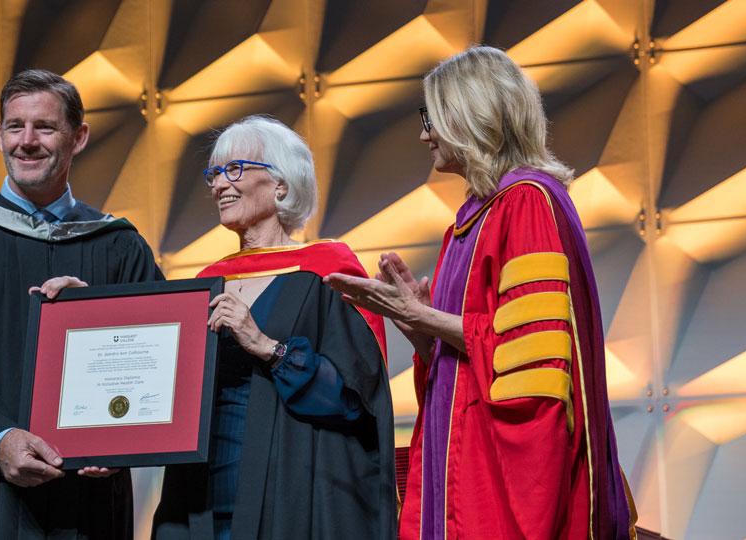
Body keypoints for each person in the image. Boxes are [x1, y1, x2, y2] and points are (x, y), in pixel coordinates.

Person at [326, 46, 636, 539]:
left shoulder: (527, 203)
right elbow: (471, 352)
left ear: (472, 116)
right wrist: (417, 326)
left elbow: (531, 361)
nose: (423, 133)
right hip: (462, 454)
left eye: (431, 117)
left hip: (498, 473)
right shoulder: (470, 221)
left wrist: (422, 317)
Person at [0, 69, 162, 539]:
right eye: (14, 127)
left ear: (78, 137)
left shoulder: (120, 246)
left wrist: (117, 444)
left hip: (87, 496)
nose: (26, 142)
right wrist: (0, 437)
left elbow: (158, 356)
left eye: (44, 127)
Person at [151, 115, 395, 540]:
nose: (219, 185)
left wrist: (266, 346)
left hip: (293, 493)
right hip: (199, 498)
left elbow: (356, 400)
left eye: (236, 169)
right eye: (214, 173)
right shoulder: (204, 284)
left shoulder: (327, 273)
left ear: (281, 184)